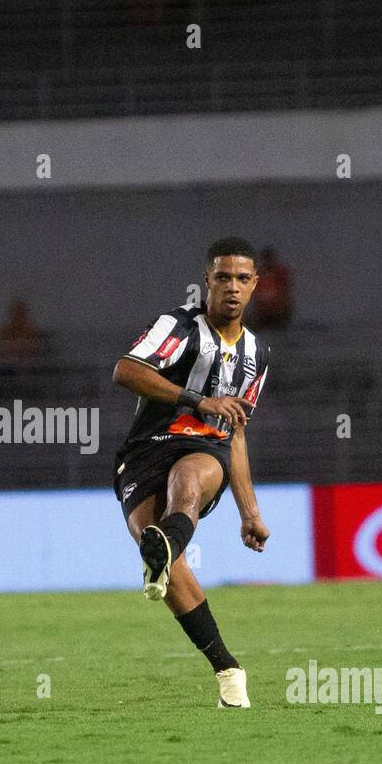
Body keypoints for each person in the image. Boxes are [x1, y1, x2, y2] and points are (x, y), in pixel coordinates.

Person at [111, 237, 271, 709]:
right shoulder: (178, 325)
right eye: (223, 277)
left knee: (189, 478)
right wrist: (197, 400)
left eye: (243, 279)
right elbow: (124, 370)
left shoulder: (256, 355)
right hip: (143, 452)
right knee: (168, 566)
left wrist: (250, 513)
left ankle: (166, 544)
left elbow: (236, 434)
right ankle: (228, 670)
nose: (233, 288)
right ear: (207, 281)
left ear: (256, 285)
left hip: (204, 450)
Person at [243, 245, 292, 330]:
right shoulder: (257, 277)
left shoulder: (280, 275)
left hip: (278, 313)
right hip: (262, 314)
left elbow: (284, 295)